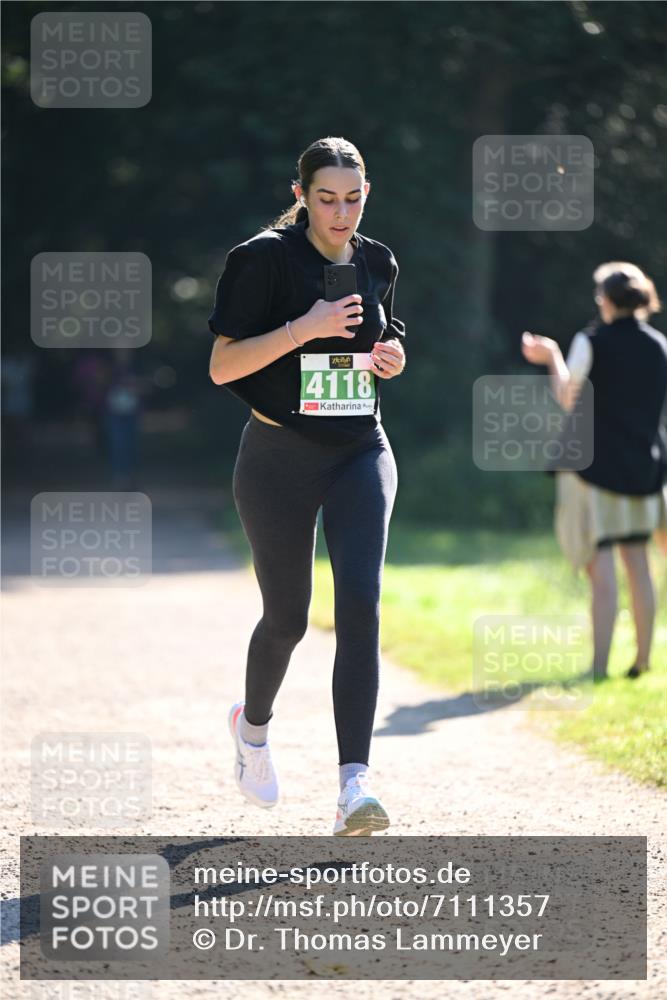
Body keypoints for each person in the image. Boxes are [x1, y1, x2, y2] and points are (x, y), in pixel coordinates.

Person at [208, 137, 406, 835]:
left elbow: (386, 329)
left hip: (359, 449)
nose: (340, 212)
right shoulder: (260, 260)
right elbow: (222, 366)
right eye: (326, 198)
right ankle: (251, 730)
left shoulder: (376, 260)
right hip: (276, 458)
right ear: (300, 195)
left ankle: (355, 786)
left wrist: (391, 355)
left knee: (360, 602)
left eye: (353, 198)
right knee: (287, 619)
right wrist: (307, 328)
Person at [522, 262, 667, 680]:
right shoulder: (658, 344)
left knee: (600, 565)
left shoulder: (591, 340)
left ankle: (599, 667)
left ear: (605, 299)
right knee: (638, 564)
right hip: (643, 468)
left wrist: (551, 356)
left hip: (593, 469)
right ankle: (642, 660)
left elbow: (569, 399)